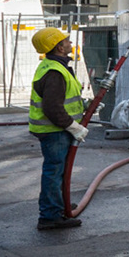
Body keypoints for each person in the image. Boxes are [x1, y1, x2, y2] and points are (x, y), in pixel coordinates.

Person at [28, 26, 89, 231]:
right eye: (66, 41)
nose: (70, 43)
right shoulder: (54, 71)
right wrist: (73, 127)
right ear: (60, 48)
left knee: (59, 170)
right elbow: (52, 107)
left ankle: (58, 206)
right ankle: (49, 216)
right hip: (54, 131)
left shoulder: (53, 66)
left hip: (54, 130)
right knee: (54, 172)